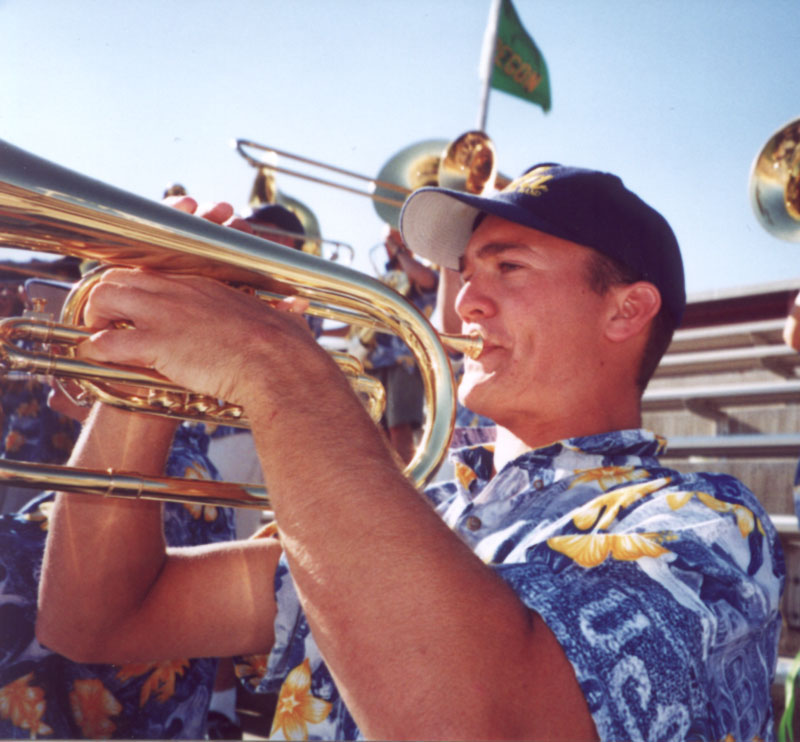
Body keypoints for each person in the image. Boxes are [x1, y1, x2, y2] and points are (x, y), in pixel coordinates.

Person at [35, 164, 784, 740]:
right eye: (468, 272)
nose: (464, 302)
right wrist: (134, 377)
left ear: (626, 310)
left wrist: (276, 367)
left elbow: (474, 724)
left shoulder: (711, 525)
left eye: (509, 267)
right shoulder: (423, 514)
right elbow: (99, 619)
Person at [363, 225, 438, 463]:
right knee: (379, 434)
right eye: (391, 242)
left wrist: (397, 249)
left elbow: (427, 280)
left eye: (399, 241)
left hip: (405, 362)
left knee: (399, 429)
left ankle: (407, 486)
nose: (391, 247)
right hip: (375, 363)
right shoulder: (383, 278)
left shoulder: (417, 272)